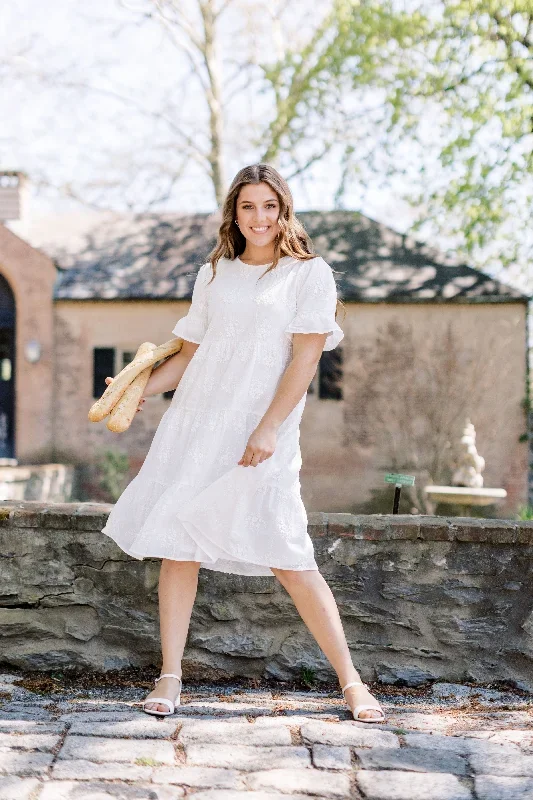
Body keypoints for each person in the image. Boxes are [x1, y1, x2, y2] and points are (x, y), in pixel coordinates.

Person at [102, 163, 385, 723]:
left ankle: (352, 682)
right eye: (248, 207)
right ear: (234, 213)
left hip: (262, 428)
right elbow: (186, 356)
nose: (259, 218)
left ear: (285, 211)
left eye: (269, 207)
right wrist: (135, 391)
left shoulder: (310, 275)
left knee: (289, 552)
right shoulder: (214, 274)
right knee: (179, 545)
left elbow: (305, 358)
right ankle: (169, 677)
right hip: (198, 422)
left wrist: (268, 428)